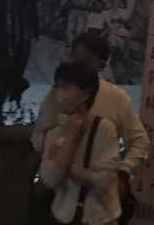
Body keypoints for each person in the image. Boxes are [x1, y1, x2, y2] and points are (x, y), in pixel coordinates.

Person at [33, 30, 148, 215]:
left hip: (97, 201)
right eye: (73, 57)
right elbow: (38, 137)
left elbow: (139, 142)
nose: (76, 65)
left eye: (85, 60)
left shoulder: (116, 100)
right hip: (59, 194)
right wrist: (56, 146)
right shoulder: (56, 95)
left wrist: (123, 172)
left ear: (101, 66)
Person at [38, 61, 121, 225]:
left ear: (86, 92)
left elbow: (107, 180)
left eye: (65, 88)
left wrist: (74, 170)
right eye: (57, 87)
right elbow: (49, 179)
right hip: (63, 217)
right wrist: (71, 137)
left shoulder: (104, 129)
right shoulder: (54, 133)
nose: (59, 94)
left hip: (99, 220)